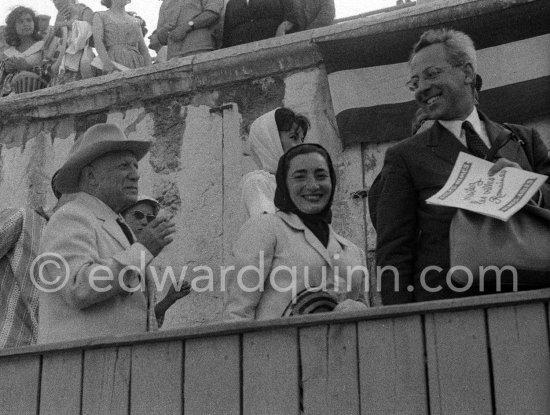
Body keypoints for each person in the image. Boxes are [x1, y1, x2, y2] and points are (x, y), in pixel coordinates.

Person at [369, 29, 550, 305]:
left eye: (431, 74)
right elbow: (394, 252)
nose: (421, 89)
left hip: (533, 302)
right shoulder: (404, 157)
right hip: (450, 314)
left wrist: (529, 190)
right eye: (414, 82)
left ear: (466, 72)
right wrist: (404, 327)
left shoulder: (524, 140)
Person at [37, 123, 176, 343]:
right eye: (123, 166)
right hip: (82, 367)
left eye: (135, 166)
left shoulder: (116, 224)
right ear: (91, 176)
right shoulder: (71, 217)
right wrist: (142, 251)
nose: (135, 175)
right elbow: (79, 287)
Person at [224, 143, 369, 321]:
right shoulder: (266, 229)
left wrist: (357, 307)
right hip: (276, 347)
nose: (313, 185)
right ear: (284, 184)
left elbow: (366, 315)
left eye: (321, 176)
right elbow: (238, 312)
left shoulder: (352, 251)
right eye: (300, 177)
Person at [121, 195, 191, 327]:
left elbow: (145, 321)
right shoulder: (115, 253)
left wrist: (169, 300)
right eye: (138, 215)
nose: (144, 222)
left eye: (150, 218)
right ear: (122, 218)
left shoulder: (146, 262)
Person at [241, 107, 310, 219]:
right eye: (293, 137)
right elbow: (267, 230)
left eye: (302, 139)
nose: (301, 146)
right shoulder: (258, 183)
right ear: (271, 141)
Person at [0, 7, 57, 96]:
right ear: (13, 27)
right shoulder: (7, 54)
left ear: (34, 23)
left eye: (29, 20)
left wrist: (28, 68)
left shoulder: (44, 46)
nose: (26, 24)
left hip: (39, 95)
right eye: (20, 21)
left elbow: (51, 72)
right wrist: (6, 71)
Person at [149, 0, 222, 61]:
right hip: (173, 57)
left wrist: (188, 26)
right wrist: (163, 33)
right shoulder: (166, 3)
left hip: (200, 51)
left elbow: (212, 13)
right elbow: (161, 36)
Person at [92, 0, 152, 73]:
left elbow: (143, 48)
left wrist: (150, 69)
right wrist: (107, 63)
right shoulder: (100, 15)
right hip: (114, 60)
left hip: (136, 61)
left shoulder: (136, 20)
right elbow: (98, 41)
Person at [50, 0, 96, 84]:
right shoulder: (60, 15)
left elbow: (87, 34)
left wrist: (62, 23)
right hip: (62, 65)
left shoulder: (85, 11)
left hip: (81, 63)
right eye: (54, 1)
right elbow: (56, 39)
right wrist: (58, 23)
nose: (57, 3)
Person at [222, 0, 297, 48]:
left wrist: (282, 28)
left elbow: (292, 16)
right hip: (241, 52)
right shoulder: (231, 4)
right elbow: (227, 37)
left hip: (272, 45)